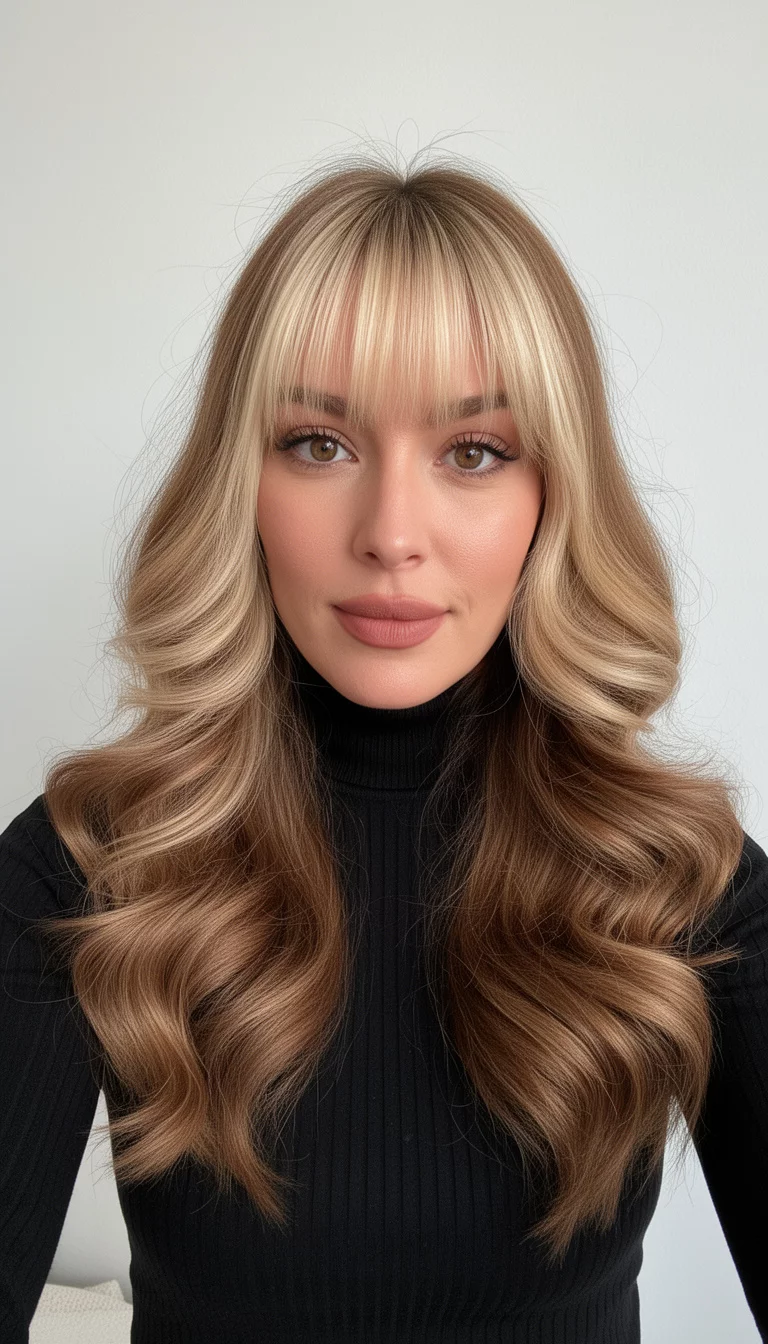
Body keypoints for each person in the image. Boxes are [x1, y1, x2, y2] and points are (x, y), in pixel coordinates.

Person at [1, 148, 766, 1344]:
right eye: (319, 442)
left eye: (473, 452)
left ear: (551, 495)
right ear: (238, 481)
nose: (391, 535)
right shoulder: (87, 871)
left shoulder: (676, 877)